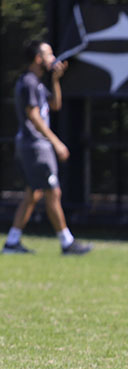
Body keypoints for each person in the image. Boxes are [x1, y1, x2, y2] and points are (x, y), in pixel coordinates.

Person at [3, 40, 92, 255]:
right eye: (49, 54)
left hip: (34, 145)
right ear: (37, 58)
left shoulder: (38, 83)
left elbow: (55, 105)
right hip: (35, 146)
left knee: (33, 194)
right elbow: (33, 116)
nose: (53, 58)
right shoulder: (28, 83)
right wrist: (56, 142)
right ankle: (66, 242)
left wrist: (55, 79)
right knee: (54, 192)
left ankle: (12, 242)